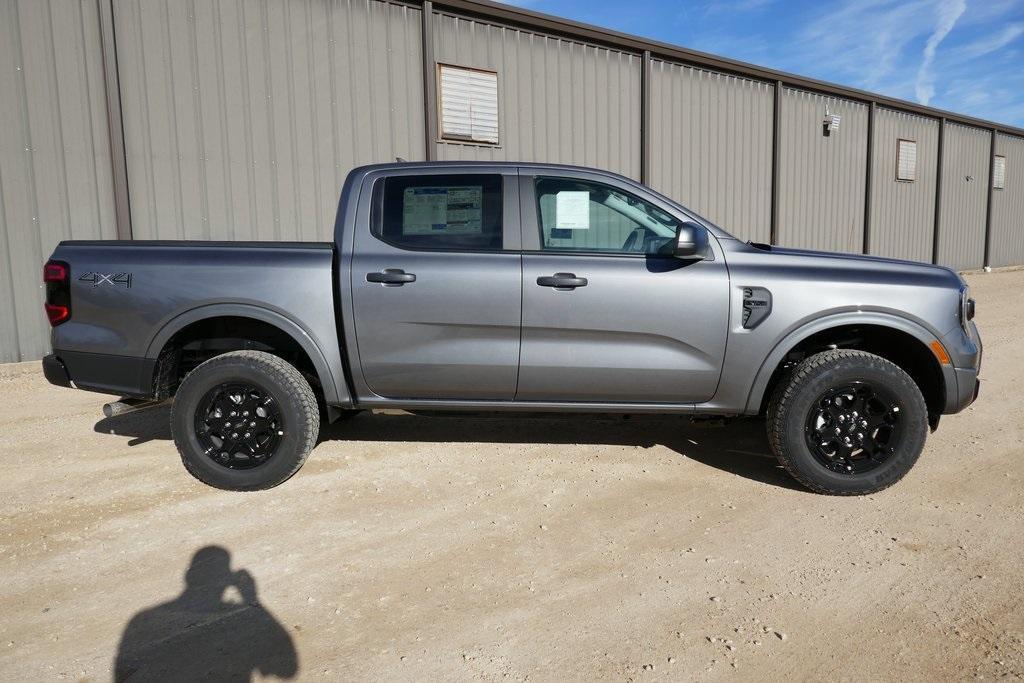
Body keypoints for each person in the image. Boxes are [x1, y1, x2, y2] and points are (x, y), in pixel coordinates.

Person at [114, 546, 298, 681]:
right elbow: (288, 669)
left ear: (189, 576)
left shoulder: (142, 618)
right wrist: (251, 596)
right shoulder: (239, 615)